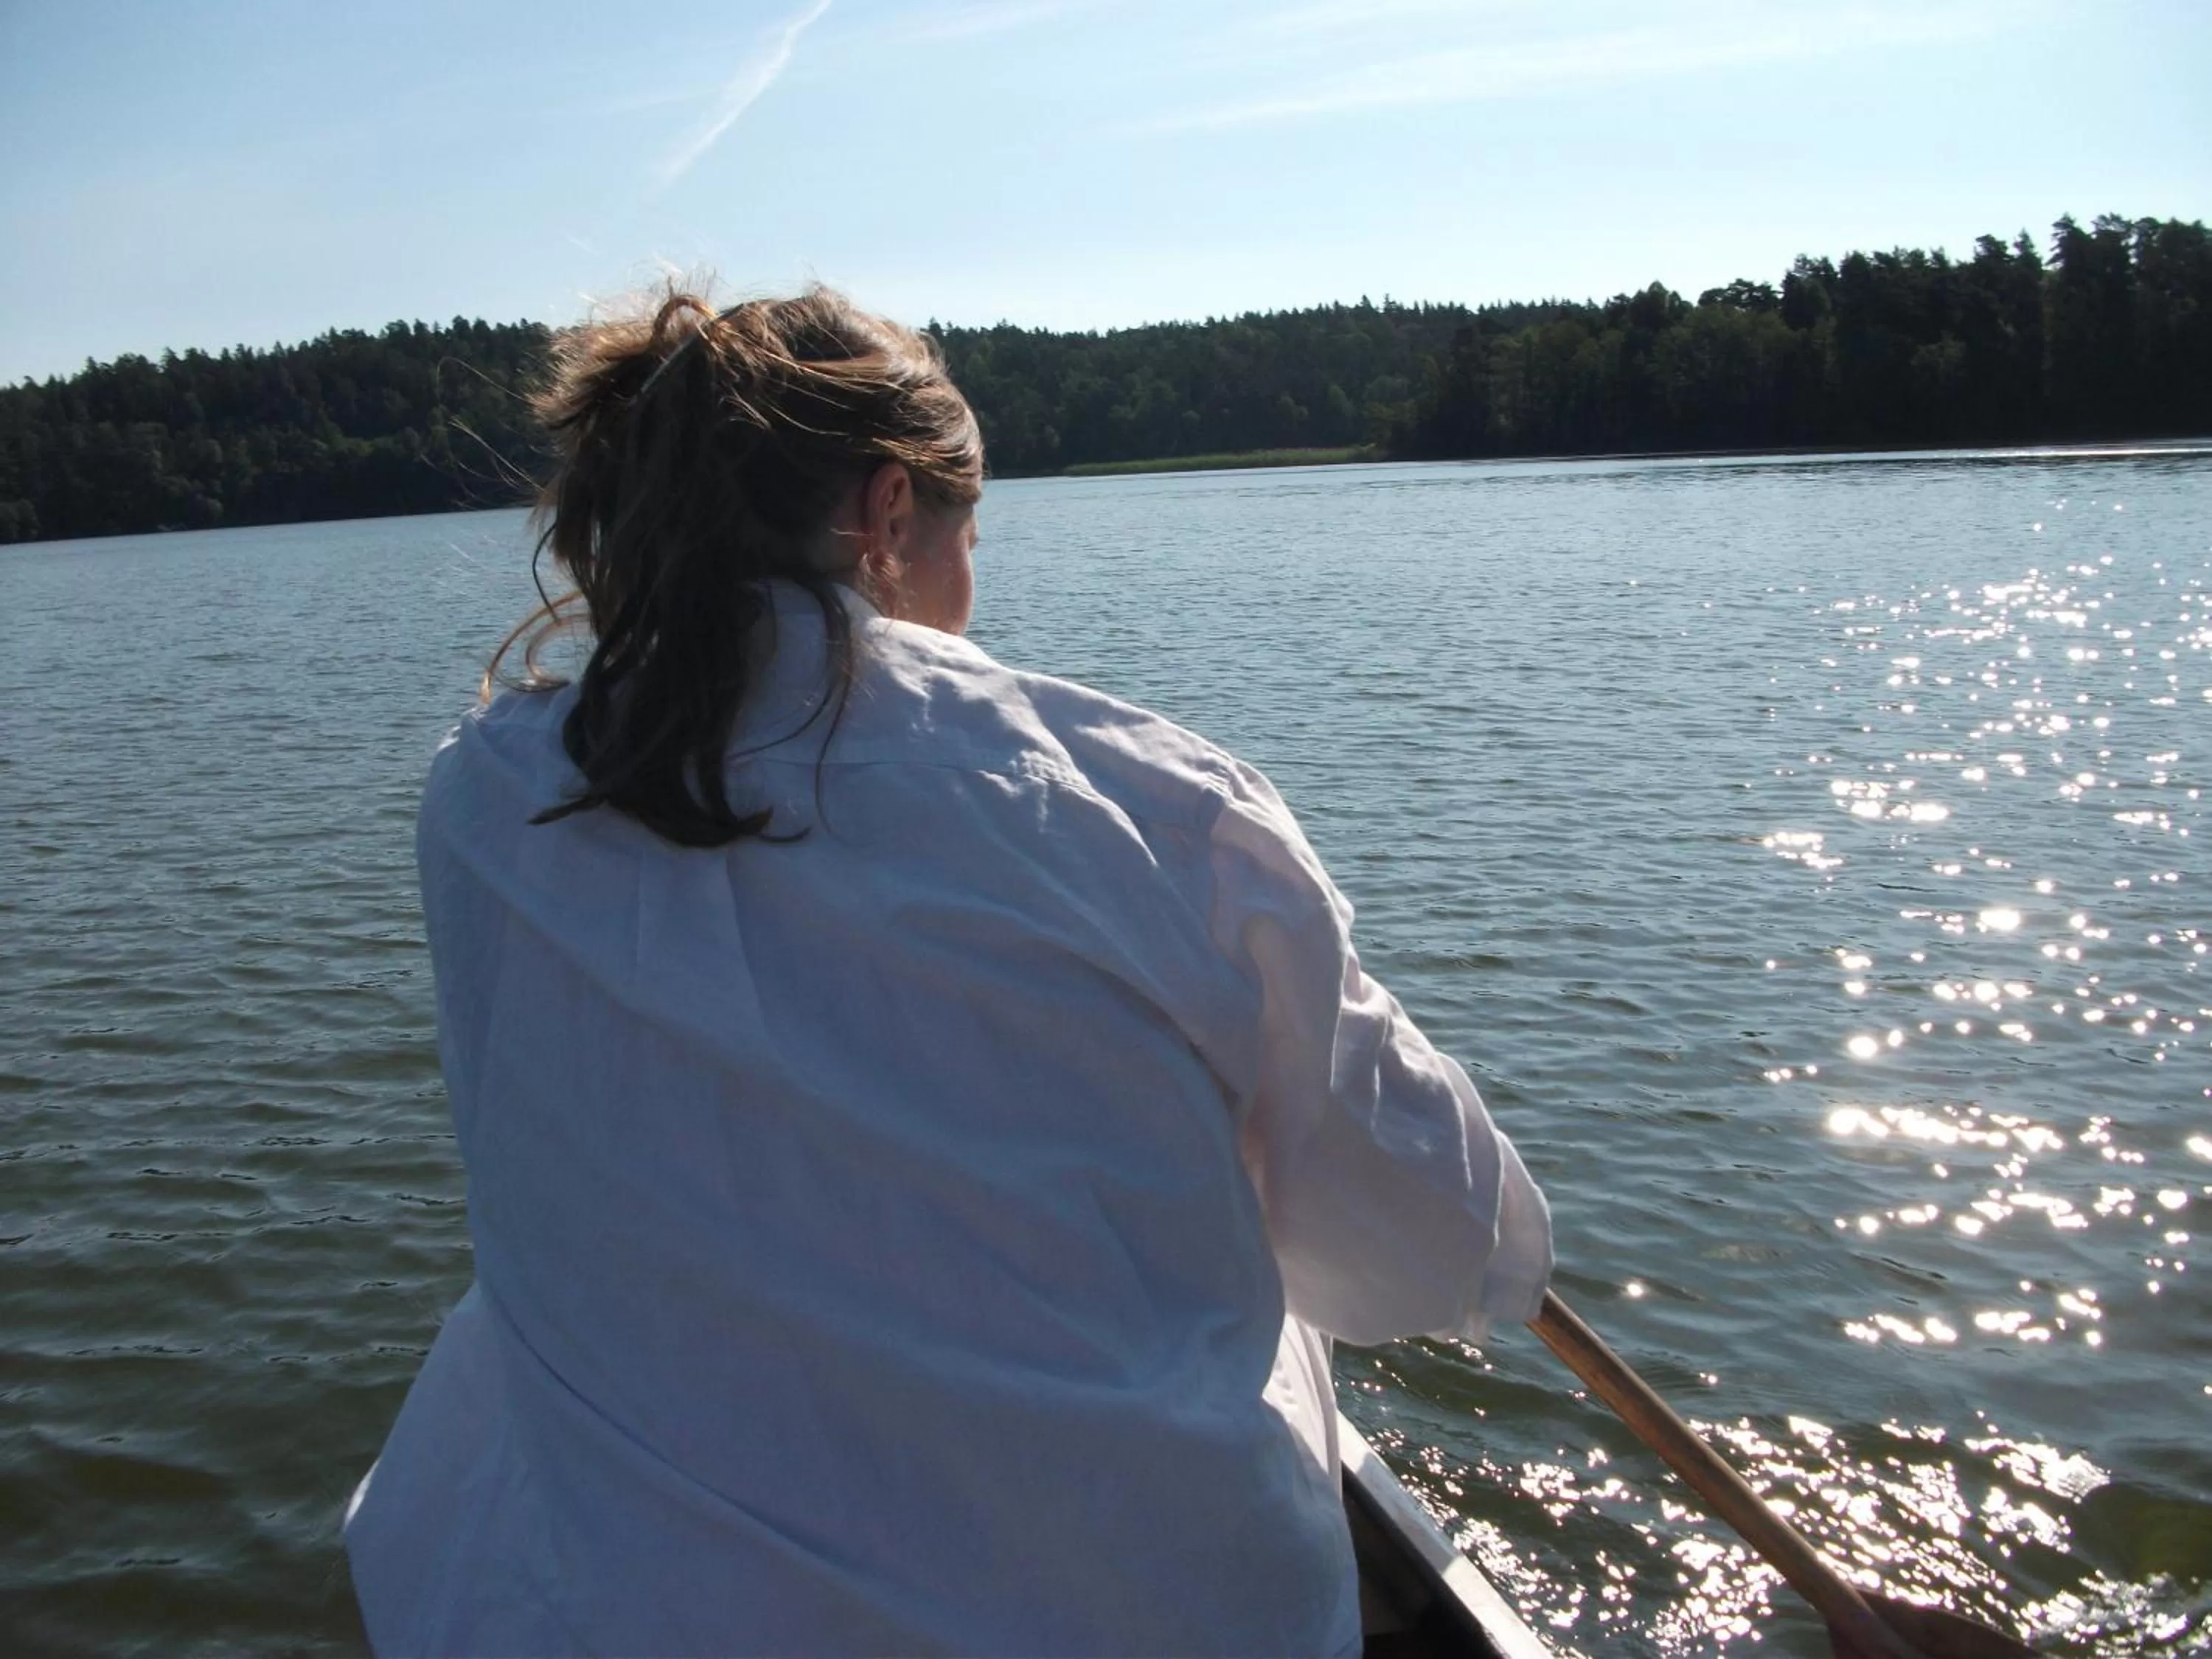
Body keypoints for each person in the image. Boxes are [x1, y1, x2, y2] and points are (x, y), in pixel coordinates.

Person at [343, 285, 1552, 1658]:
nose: (974, 592)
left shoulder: (486, 802)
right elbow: (1427, 1250)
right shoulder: (1143, 809)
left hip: (608, 1615)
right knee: (1284, 1322)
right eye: (970, 537)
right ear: (887, 514)